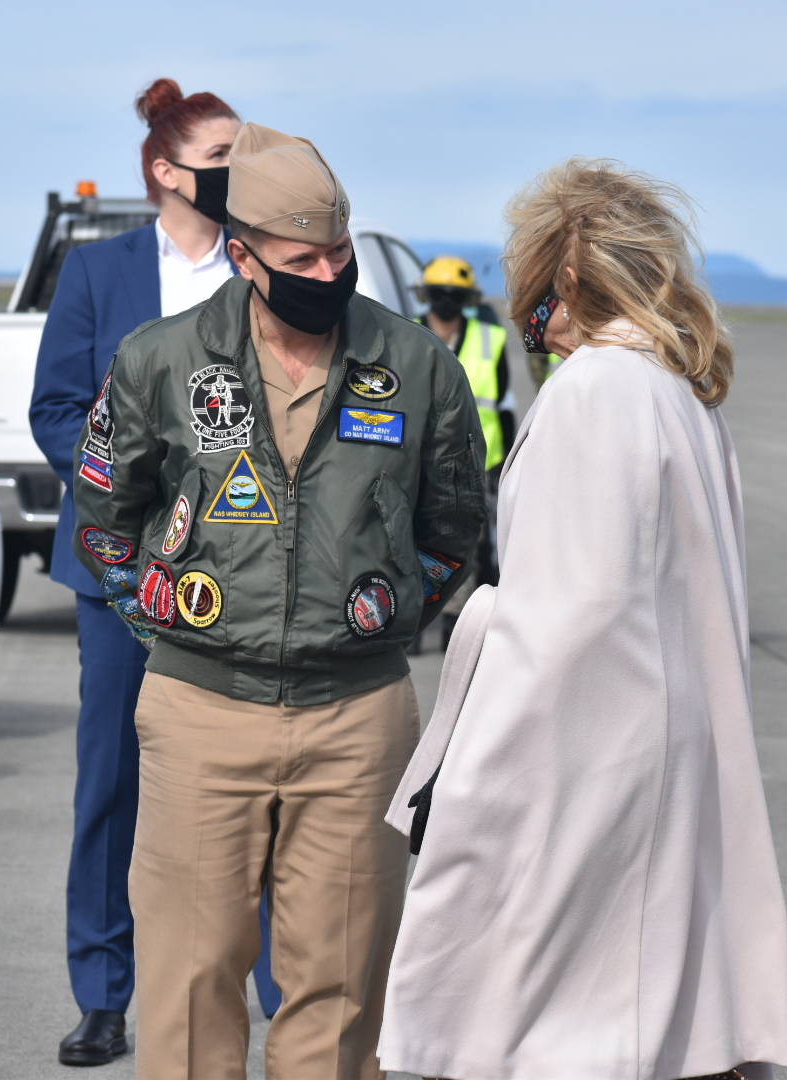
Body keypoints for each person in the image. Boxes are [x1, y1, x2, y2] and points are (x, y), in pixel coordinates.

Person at [71, 121, 484, 1079]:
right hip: (200, 713)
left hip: (360, 719)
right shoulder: (161, 359)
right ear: (245, 255)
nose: (328, 271)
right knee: (188, 983)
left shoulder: (417, 366)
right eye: (303, 257)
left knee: (342, 991)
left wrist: (373, 617)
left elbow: (453, 527)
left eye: (339, 251)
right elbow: (103, 520)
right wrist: (173, 624)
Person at [379, 160, 787, 1080]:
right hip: (668, 764)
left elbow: (568, 628)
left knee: (563, 1034)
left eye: (532, 278)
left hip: (592, 780)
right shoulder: (679, 391)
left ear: (565, 279)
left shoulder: (596, 391)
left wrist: (471, 781)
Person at [28, 77, 280, 1067]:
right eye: (223, 160)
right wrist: (131, 494)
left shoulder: (262, 268)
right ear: (166, 172)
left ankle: (276, 984)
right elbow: (56, 410)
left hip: (247, 570)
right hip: (120, 571)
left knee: (260, 779)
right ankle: (103, 993)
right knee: (115, 783)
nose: (238, 175)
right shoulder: (98, 274)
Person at [416, 255, 515, 587]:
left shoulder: (491, 340)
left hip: (481, 462)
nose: (446, 302)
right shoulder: (408, 337)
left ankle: (467, 626)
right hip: (418, 460)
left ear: (466, 299)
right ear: (427, 295)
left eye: (453, 295)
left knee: (480, 548)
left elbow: (499, 399)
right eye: (439, 294)